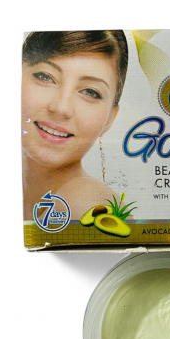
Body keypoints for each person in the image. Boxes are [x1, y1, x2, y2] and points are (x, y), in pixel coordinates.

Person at [21, 30, 128, 220]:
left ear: (111, 118)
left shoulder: (86, 202)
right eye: (45, 77)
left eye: (90, 92)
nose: (61, 108)